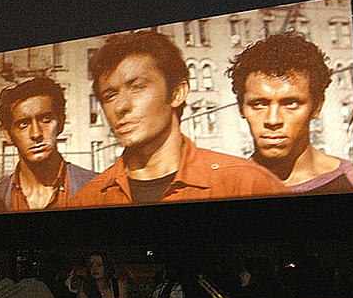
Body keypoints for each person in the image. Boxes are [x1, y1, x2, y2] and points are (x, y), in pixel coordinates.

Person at [71, 30, 289, 207]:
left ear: (177, 93)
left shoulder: (246, 184)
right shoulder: (88, 199)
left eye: (137, 87)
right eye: (110, 95)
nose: (121, 106)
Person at [227, 32, 353, 194]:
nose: (273, 120)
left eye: (290, 103)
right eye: (259, 104)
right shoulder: (223, 189)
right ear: (241, 107)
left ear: (317, 106)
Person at [0, 77, 97, 214]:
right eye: (23, 124)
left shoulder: (99, 188)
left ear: (61, 123)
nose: (36, 134)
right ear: (7, 134)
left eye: (45, 119)